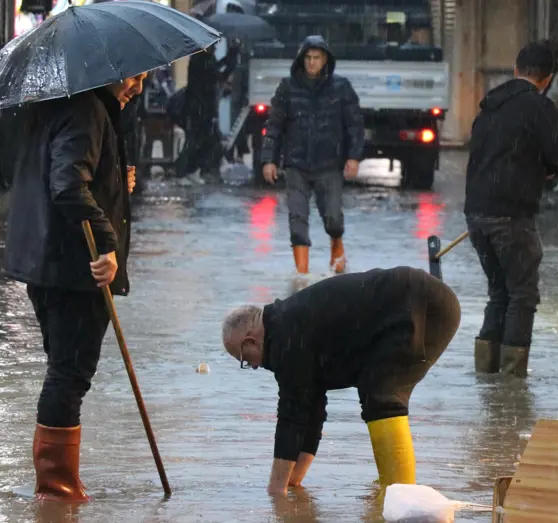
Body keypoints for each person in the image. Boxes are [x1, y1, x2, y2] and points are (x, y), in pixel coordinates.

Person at [2, 72, 146, 501]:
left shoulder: (59, 106)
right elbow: (67, 185)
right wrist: (107, 242)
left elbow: (65, 176)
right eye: (134, 77)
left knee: (64, 371)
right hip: (74, 269)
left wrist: (114, 180)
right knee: (69, 375)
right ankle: (57, 489)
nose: (138, 88)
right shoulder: (87, 110)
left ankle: (58, 486)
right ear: (108, 70)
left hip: (48, 264)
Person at [221, 266, 461, 495]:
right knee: (375, 388)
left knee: (382, 393)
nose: (253, 366)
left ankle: (398, 491)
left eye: (245, 359)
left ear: (250, 342)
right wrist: (294, 481)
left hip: (426, 306)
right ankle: (392, 486)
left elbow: (291, 416)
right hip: (419, 302)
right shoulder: (286, 327)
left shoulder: (286, 338)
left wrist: (276, 490)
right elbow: (311, 410)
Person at [464, 42, 558, 378]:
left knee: (499, 293)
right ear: (548, 78)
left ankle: (485, 377)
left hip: (477, 214)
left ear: (516, 70)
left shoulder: (490, 106)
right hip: (511, 216)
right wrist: (546, 169)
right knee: (522, 296)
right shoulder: (538, 107)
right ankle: (512, 384)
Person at [261, 35, 365, 275]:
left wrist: (353, 157)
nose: (311, 62)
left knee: (333, 218)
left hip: (329, 163)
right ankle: (301, 276)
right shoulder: (288, 88)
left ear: (325, 59)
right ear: (301, 59)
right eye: (308, 57)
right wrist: (269, 160)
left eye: (316, 58)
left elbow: (354, 125)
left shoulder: (341, 88)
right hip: (296, 164)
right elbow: (274, 125)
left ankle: (337, 252)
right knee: (297, 220)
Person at [176, 42, 238, 185]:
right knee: (195, 141)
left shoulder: (207, 58)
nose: (215, 48)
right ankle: (183, 172)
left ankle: (193, 170)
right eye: (213, 45)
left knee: (204, 141)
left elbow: (216, 72)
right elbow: (217, 75)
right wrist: (230, 61)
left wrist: (229, 59)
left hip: (205, 108)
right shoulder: (200, 58)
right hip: (198, 109)